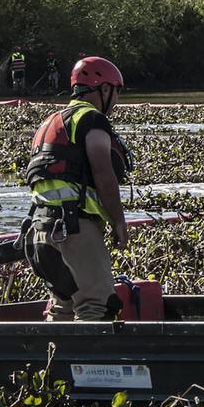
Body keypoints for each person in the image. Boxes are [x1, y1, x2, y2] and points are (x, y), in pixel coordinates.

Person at [22, 56, 132, 321]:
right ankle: (90, 364)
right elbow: (104, 174)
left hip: (40, 233)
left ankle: (53, 362)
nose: (115, 100)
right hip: (74, 230)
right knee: (97, 306)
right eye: (115, 91)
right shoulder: (92, 120)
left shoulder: (50, 123)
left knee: (63, 307)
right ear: (104, 89)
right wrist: (118, 220)